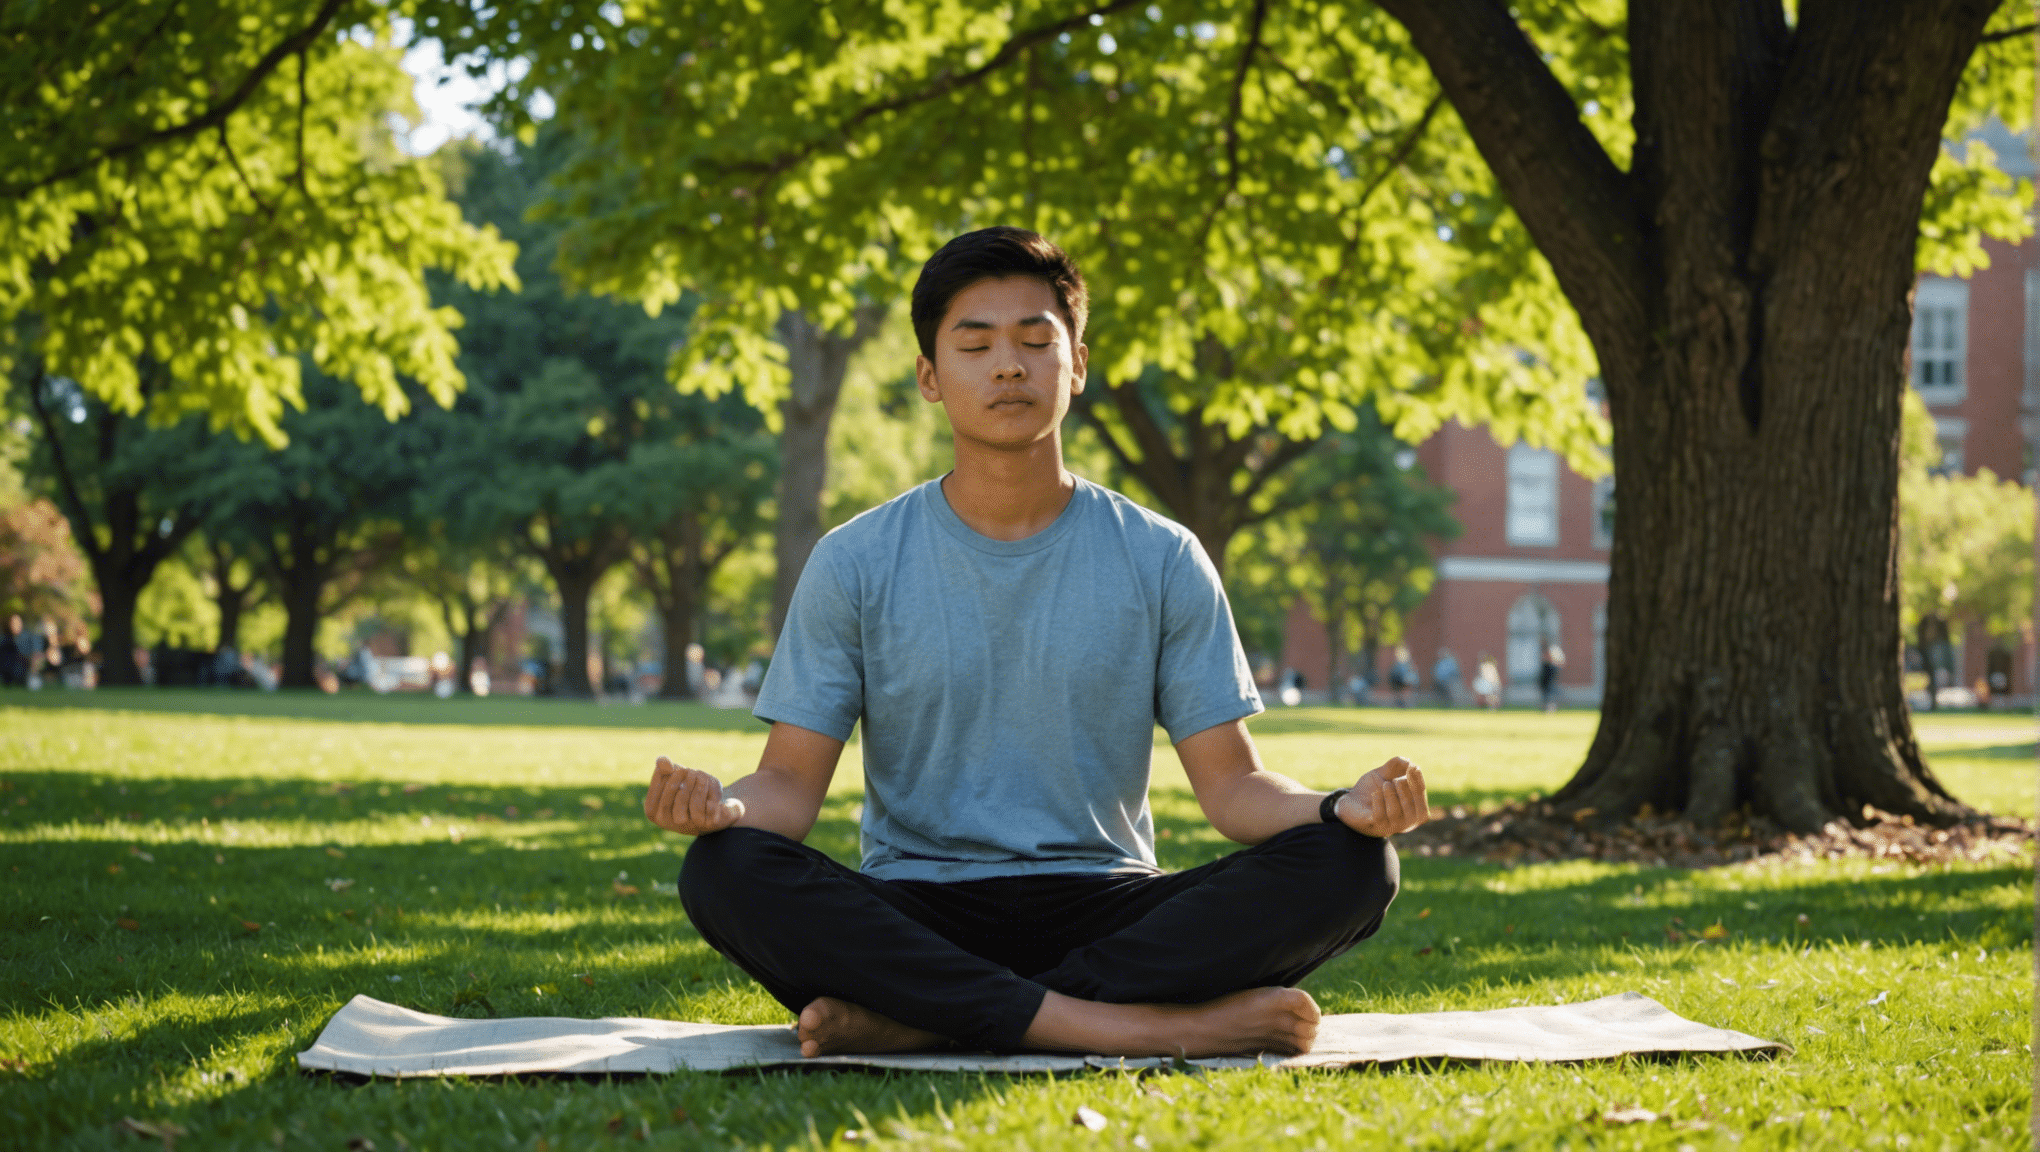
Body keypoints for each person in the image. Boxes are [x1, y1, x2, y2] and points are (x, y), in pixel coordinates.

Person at [646, 228, 1427, 1061]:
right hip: (920, 905)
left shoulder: (1161, 555)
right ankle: (1144, 1026)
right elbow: (788, 790)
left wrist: (1336, 808)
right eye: (975, 344)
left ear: (1077, 364)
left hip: (1107, 903)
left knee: (1355, 867)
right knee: (724, 871)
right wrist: (722, 809)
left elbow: (1233, 789)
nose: (1008, 366)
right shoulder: (856, 559)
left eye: (1034, 340)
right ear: (929, 378)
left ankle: (923, 1019)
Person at [1539, 643, 1566, 712]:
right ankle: (1547, 708)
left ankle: (1550, 708)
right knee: (1547, 696)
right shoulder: (1546, 666)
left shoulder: (1552, 667)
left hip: (1550, 684)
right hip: (1545, 683)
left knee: (1550, 696)